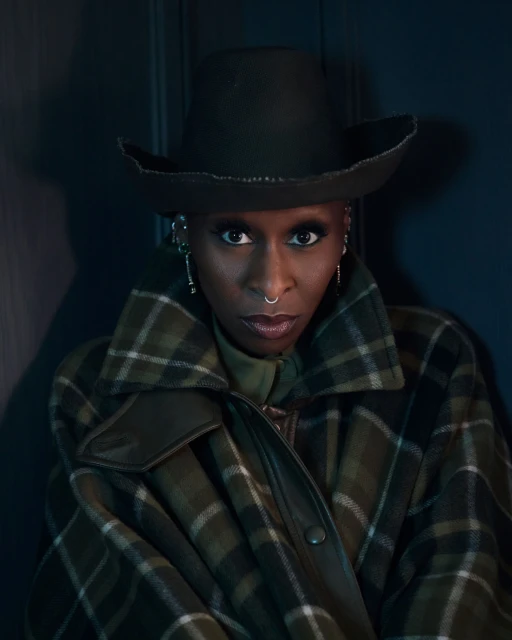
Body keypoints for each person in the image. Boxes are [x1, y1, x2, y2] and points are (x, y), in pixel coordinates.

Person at [25, 47, 512, 639]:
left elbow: (463, 571)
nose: (272, 283)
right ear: (184, 233)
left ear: (345, 227)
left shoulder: (432, 361)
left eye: (306, 235)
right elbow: (133, 609)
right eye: (234, 234)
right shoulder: (97, 393)